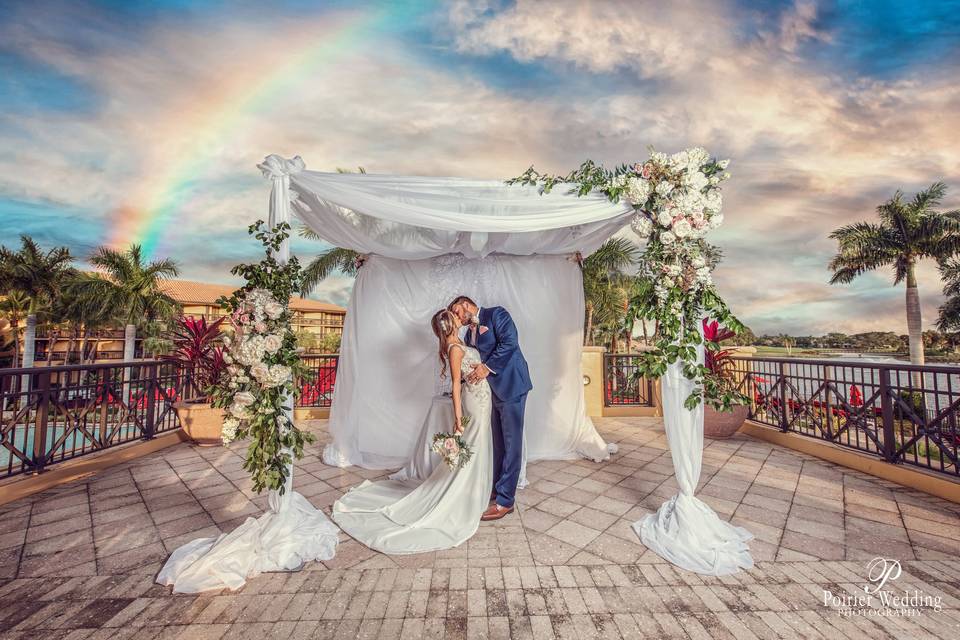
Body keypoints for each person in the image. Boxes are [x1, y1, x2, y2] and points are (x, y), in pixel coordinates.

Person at [331, 309, 493, 554]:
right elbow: (457, 387)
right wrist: (458, 418)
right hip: (474, 402)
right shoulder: (455, 349)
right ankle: (461, 497)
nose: (461, 317)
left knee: (477, 446)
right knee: (472, 446)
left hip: (481, 398)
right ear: (449, 325)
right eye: (456, 317)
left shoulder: (460, 344)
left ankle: (474, 494)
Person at [448, 295, 531, 521]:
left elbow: (510, 343)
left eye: (456, 310)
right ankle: (496, 488)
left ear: (465, 304)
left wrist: (486, 367)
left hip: (512, 386)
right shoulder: (467, 333)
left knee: (512, 443)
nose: (456, 316)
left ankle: (506, 501)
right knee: (498, 444)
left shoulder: (496, 314)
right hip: (490, 394)